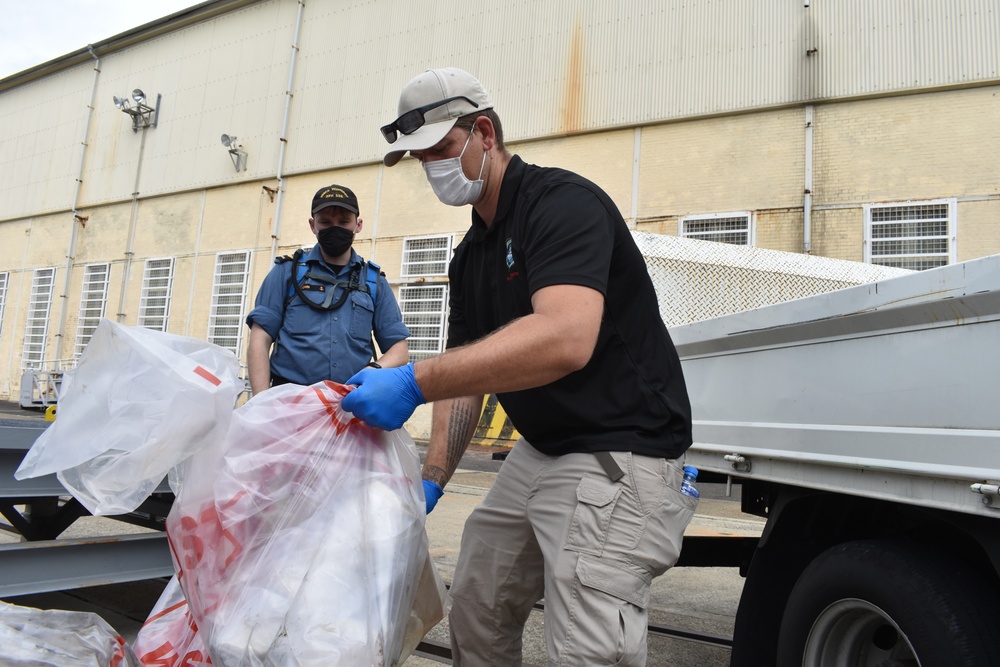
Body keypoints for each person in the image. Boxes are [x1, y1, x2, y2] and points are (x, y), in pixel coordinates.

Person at [343, 68, 696, 666]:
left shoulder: (560, 205)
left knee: (587, 646)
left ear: (484, 132)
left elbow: (565, 337)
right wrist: (432, 478)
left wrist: (412, 380)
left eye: (441, 150)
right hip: (545, 449)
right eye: (420, 159)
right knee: (478, 602)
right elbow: (468, 375)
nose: (433, 169)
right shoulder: (472, 254)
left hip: (619, 451)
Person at [246, 184, 409, 395]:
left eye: (343, 222)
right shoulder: (287, 273)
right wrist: (261, 402)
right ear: (313, 225)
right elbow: (260, 339)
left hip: (350, 405)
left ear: (358, 225)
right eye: (325, 222)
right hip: (289, 403)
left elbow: (399, 350)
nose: (335, 229)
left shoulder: (374, 282)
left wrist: (373, 370)